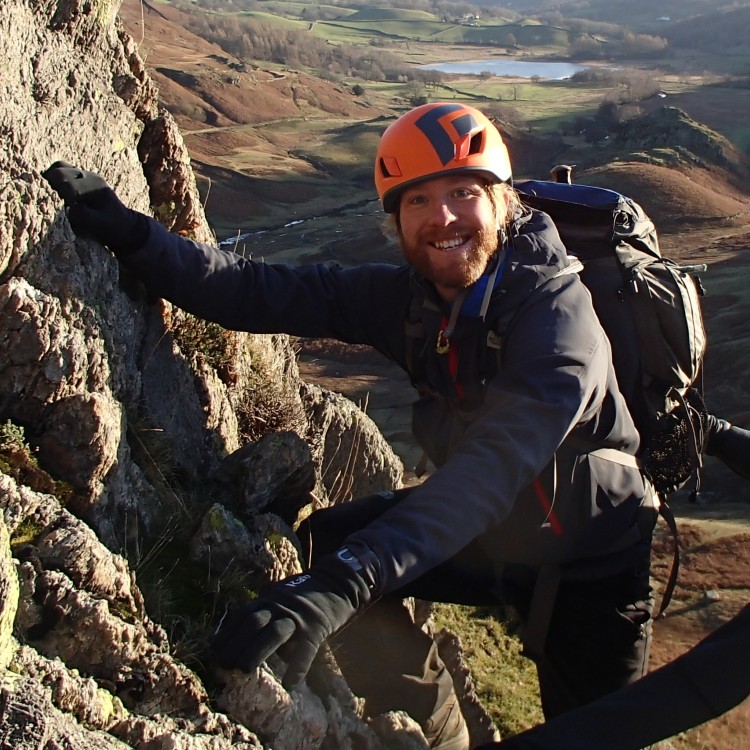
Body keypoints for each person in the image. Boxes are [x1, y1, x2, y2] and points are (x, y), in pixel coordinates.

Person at [43, 102, 660, 750]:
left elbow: (492, 468)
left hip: (595, 565)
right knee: (332, 540)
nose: (442, 217)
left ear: (501, 202)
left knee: (592, 736)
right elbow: (261, 290)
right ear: (397, 222)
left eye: (462, 192)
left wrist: (346, 582)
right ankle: (439, 734)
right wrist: (133, 236)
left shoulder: (560, 319)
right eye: (417, 200)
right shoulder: (415, 304)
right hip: (500, 538)